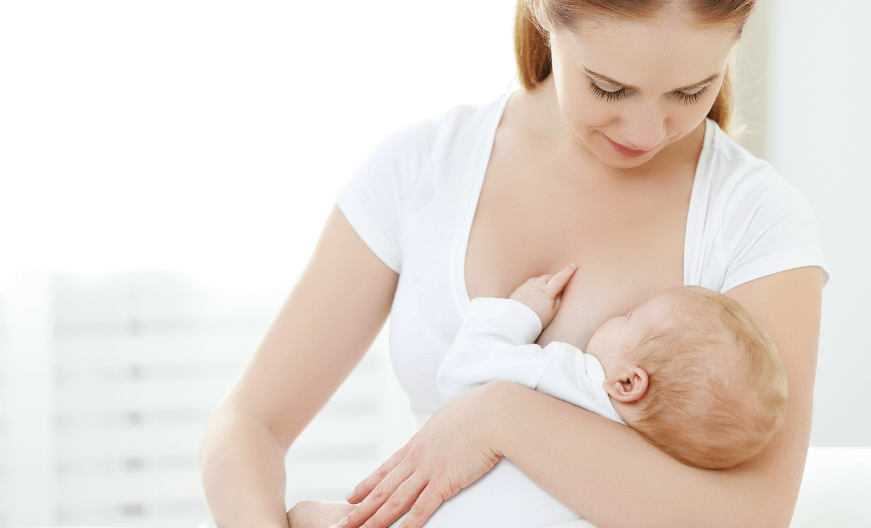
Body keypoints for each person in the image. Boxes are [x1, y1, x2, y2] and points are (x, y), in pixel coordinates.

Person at [200, 0, 829, 527]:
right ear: (544, 15)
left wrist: (499, 418)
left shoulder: (756, 219)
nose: (645, 130)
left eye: (692, 90)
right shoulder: (420, 171)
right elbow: (248, 424)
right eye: (609, 86)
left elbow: (752, 516)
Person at [287, 263, 789, 528]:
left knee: (306, 516)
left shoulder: (577, 380)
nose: (619, 314)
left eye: (630, 319)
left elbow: (464, 372)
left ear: (629, 383)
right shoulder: (649, 470)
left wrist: (519, 314)